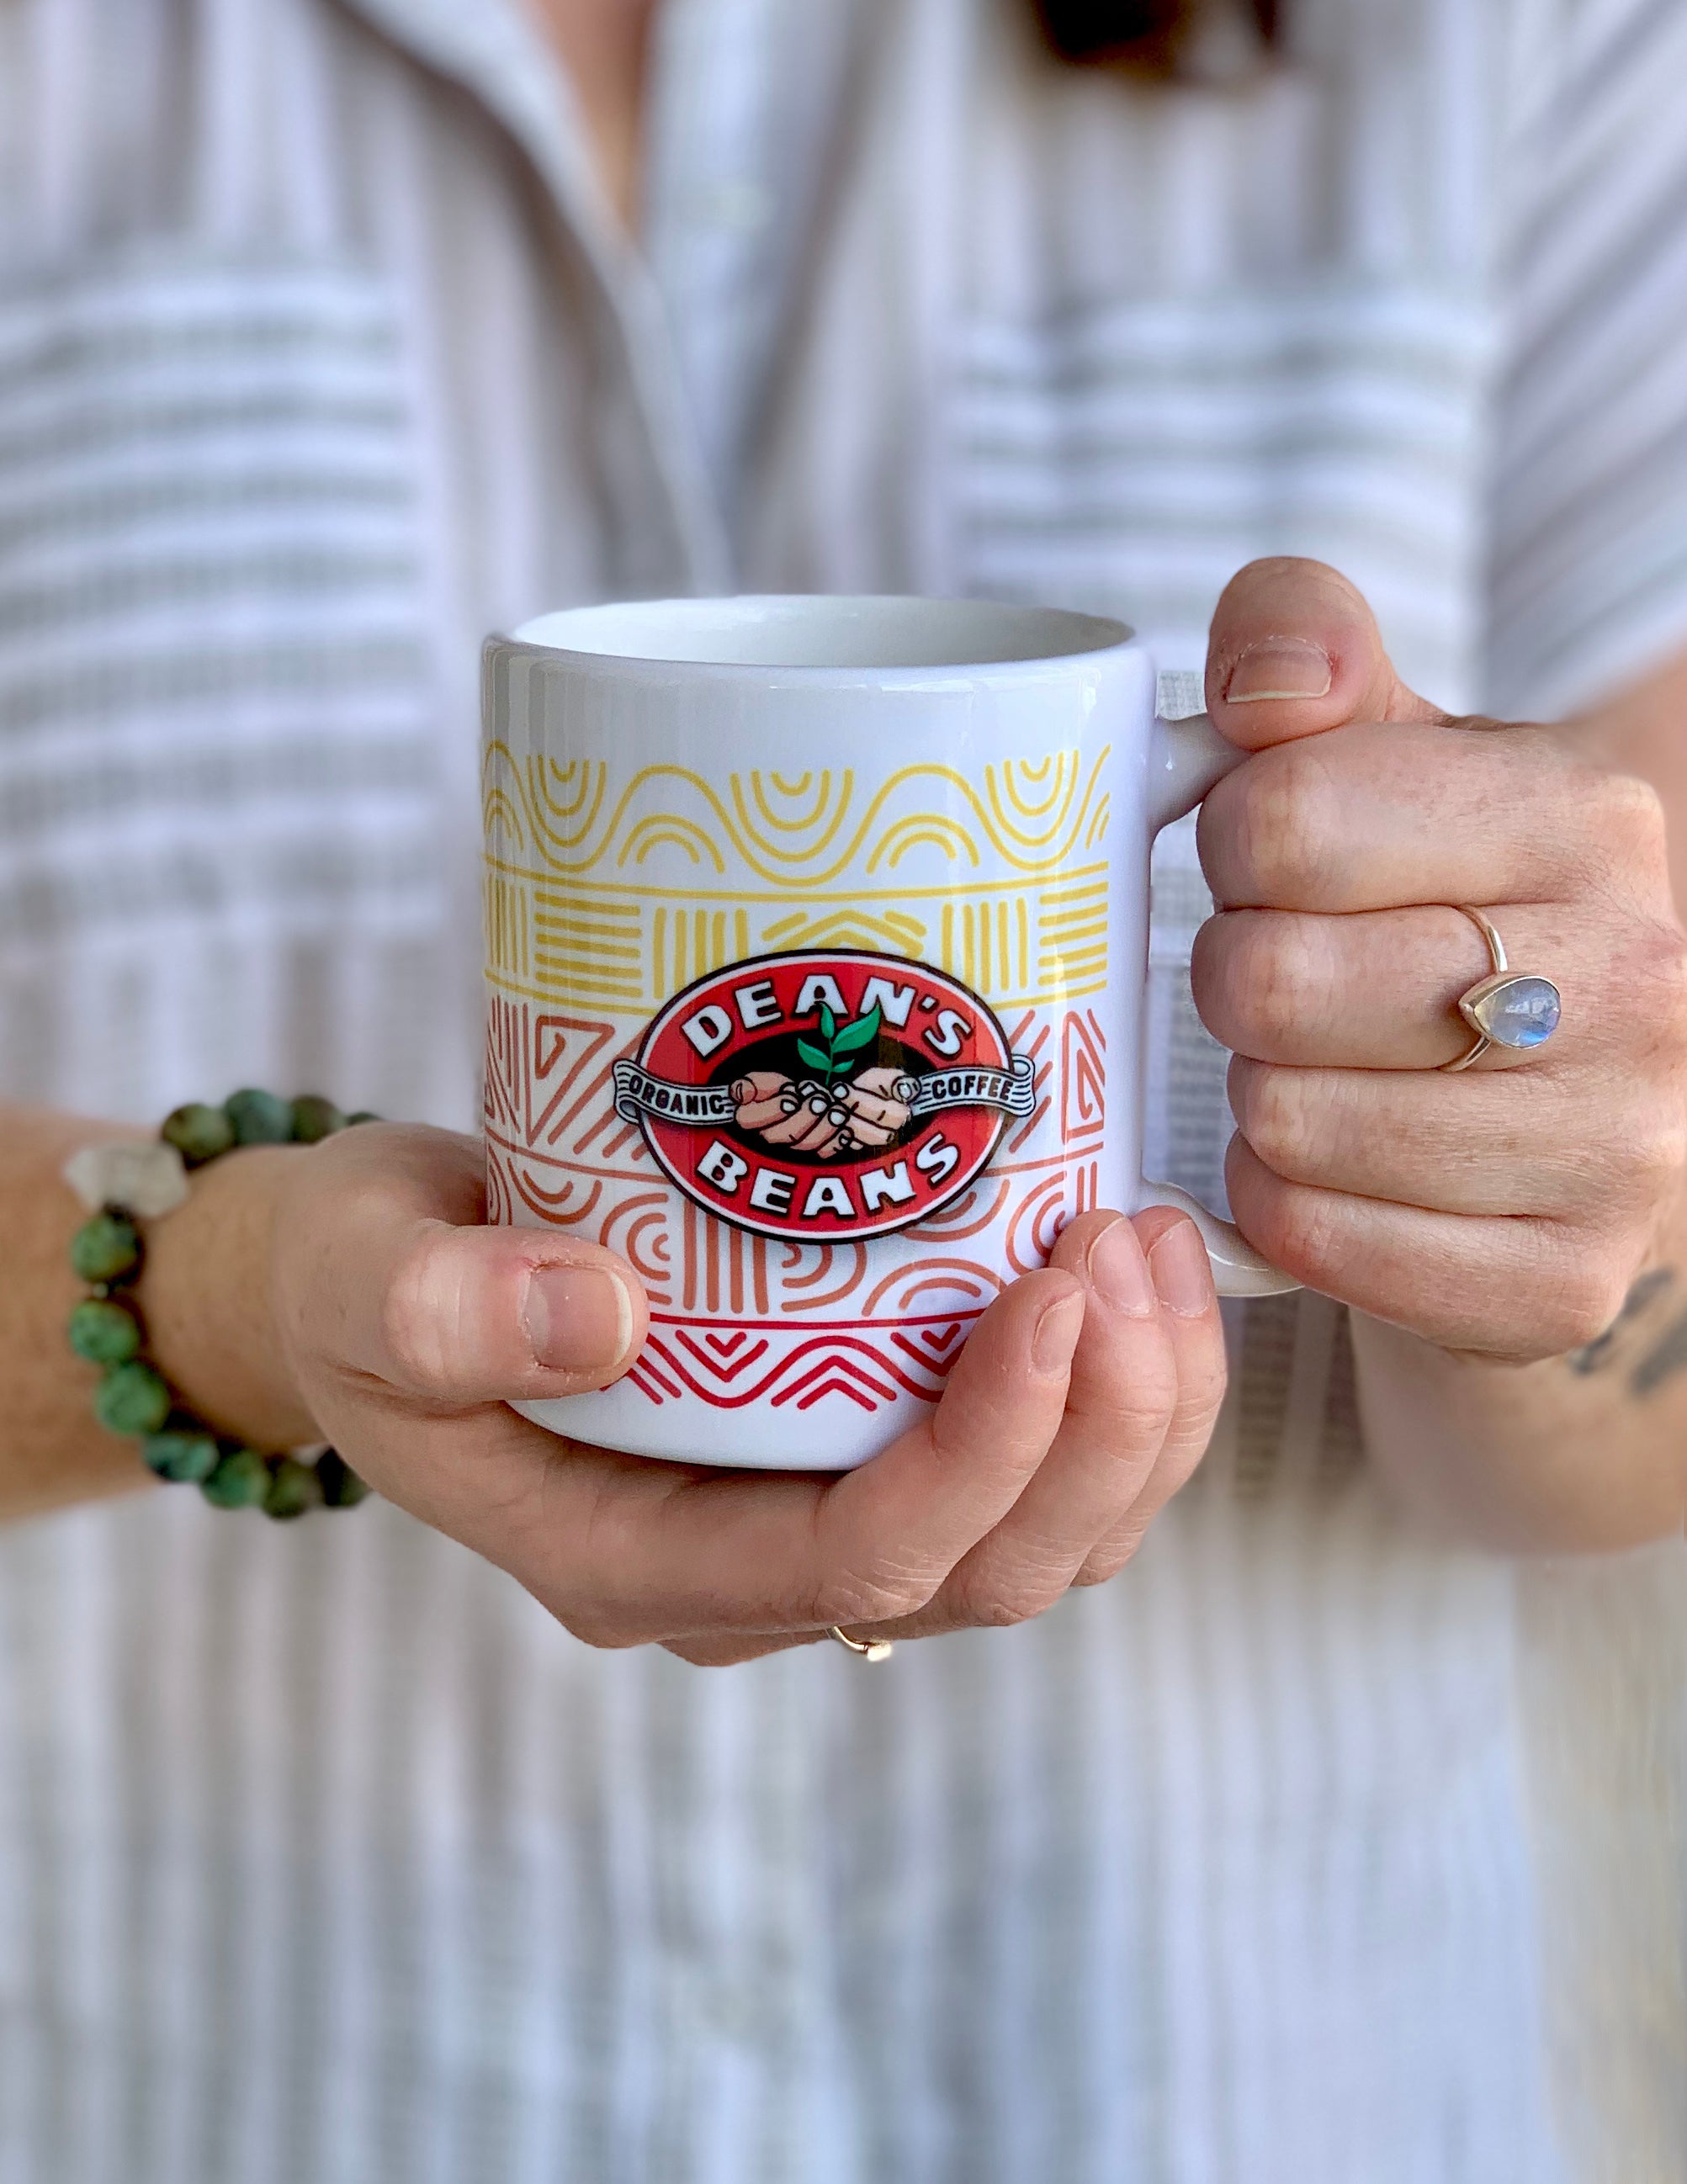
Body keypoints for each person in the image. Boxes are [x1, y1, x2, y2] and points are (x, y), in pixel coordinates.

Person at [2, 0, 1684, 2176]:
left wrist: (1522, 1196)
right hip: (231, 2077)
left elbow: (1659, 1328)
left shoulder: (1521, 43)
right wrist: (210, 1300)